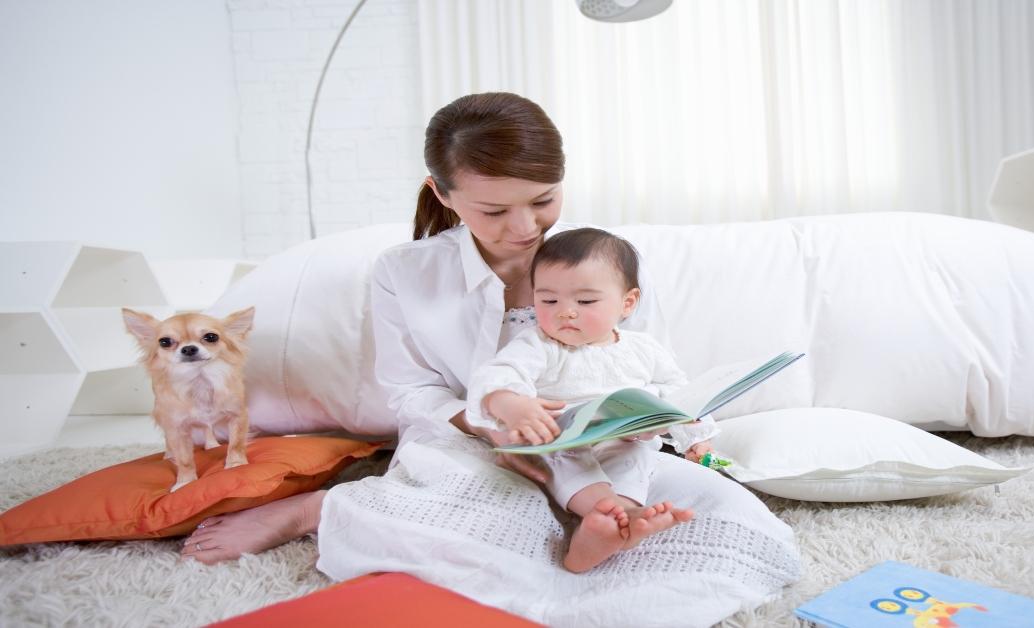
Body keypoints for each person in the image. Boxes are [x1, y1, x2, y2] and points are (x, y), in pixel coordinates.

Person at [179, 96, 798, 627]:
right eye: (494, 211)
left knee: (728, 520)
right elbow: (410, 390)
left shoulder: (602, 261)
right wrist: (488, 425)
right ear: (442, 195)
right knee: (478, 526)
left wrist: (662, 424)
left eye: (543, 201)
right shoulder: (406, 272)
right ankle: (318, 510)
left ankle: (601, 528)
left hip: (598, 444)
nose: (524, 228)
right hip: (467, 443)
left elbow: (639, 363)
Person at [467, 227, 716, 573]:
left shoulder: (643, 349)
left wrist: (696, 438)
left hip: (622, 437)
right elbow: (498, 373)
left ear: (627, 303)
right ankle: (608, 514)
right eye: (549, 300)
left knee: (636, 457)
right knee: (564, 456)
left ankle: (611, 524)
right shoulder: (540, 345)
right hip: (563, 437)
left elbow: (679, 394)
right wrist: (510, 403)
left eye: (585, 302)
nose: (565, 312)